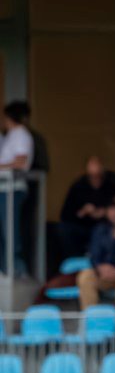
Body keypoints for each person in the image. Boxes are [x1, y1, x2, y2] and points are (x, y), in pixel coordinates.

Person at [59, 156, 115, 260]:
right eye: (92, 176)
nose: (95, 179)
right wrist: (82, 212)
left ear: (103, 171)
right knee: (64, 229)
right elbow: (65, 214)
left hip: (106, 225)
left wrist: (105, 212)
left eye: (98, 175)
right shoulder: (79, 186)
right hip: (83, 225)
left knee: (101, 230)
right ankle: (74, 261)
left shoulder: (114, 182)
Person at [0, 100, 36, 274]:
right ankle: (7, 269)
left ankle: (17, 271)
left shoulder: (21, 134)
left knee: (11, 232)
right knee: (5, 232)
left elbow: (20, 162)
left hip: (12, 189)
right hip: (4, 188)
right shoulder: (10, 135)